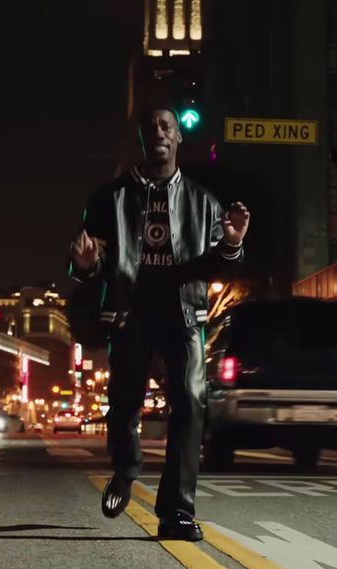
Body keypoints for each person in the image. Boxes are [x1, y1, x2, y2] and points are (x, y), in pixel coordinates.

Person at [68, 103, 249, 541]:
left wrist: (232, 242)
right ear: (143, 138)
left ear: (179, 137)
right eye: (152, 128)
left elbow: (219, 266)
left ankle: (178, 512)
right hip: (131, 312)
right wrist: (87, 265)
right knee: (125, 402)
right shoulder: (107, 199)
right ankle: (126, 470)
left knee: (191, 400)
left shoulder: (204, 202)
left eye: (167, 126)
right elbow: (85, 265)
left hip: (184, 312)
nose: (161, 133)